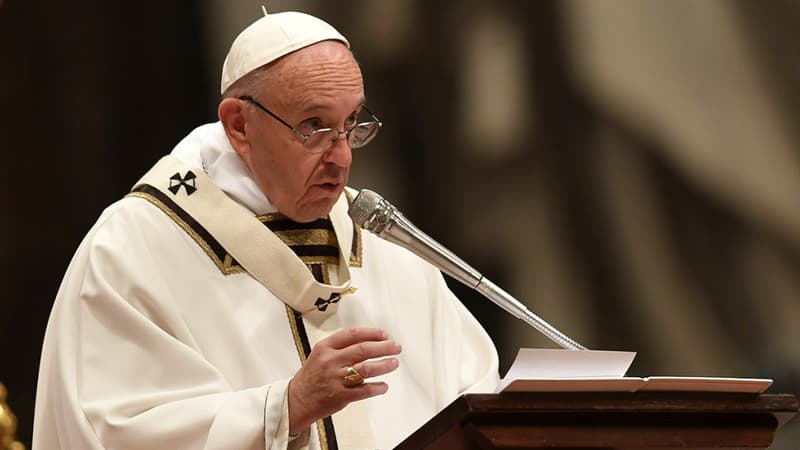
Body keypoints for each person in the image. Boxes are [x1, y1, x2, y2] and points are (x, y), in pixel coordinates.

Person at [32, 10, 499, 450]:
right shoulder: (135, 246)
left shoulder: (380, 241)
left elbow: (477, 401)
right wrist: (286, 407)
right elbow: (109, 432)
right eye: (314, 127)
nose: (342, 158)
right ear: (239, 125)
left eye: (351, 123)